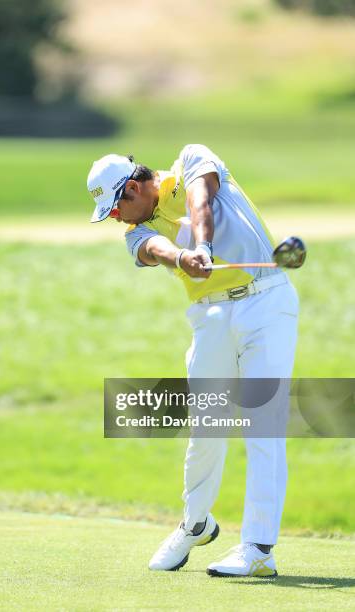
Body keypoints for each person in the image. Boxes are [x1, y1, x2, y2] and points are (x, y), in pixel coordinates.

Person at [87, 144, 299, 577]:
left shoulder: (192, 160)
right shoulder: (135, 232)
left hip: (266, 300)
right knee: (207, 427)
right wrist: (185, 257)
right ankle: (196, 522)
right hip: (211, 316)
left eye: (115, 209)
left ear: (132, 188)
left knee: (263, 426)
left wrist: (202, 244)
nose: (117, 219)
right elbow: (156, 249)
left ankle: (258, 549)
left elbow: (202, 199)